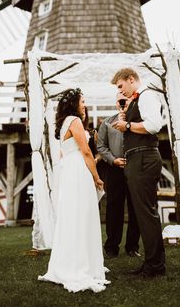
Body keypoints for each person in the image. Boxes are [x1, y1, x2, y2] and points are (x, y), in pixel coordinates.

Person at [38, 88, 110, 292]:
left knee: (73, 215)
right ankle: (81, 264)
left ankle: (72, 261)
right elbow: (86, 152)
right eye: (82, 101)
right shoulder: (74, 120)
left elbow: (67, 153)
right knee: (83, 214)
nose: (84, 105)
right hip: (79, 171)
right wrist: (96, 177)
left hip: (70, 170)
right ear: (74, 104)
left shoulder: (64, 123)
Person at [111, 68, 166, 278]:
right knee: (144, 214)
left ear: (131, 79)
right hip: (137, 158)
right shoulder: (135, 100)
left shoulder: (147, 95)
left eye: (120, 86)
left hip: (144, 157)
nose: (120, 91)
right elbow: (132, 124)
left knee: (146, 213)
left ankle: (155, 266)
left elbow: (153, 125)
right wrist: (124, 114)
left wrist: (128, 125)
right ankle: (152, 263)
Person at [97, 93, 140, 258]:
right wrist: (113, 160)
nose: (122, 102)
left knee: (135, 207)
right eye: (119, 100)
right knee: (114, 207)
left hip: (134, 167)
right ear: (116, 103)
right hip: (114, 169)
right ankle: (111, 247)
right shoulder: (107, 123)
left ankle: (132, 247)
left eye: (125, 100)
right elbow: (101, 146)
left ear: (131, 101)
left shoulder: (138, 121)